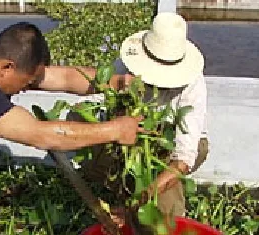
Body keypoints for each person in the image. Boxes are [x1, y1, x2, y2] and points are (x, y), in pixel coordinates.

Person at [0, 22, 143, 235]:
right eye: (26, 83)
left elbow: (65, 78)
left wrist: (118, 83)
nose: (25, 90)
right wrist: (115, 130)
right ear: (8, 67)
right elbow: (40, 134)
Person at [83, 12, 209, 221]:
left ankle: (138, 197)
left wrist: (138, 202)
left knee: (164, 213)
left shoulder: (193, 84)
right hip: (133, 135)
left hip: (171, 142)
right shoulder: (126, 65)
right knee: (94, 154)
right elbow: (108, 108)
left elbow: (184, 158)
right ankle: (122, 186)